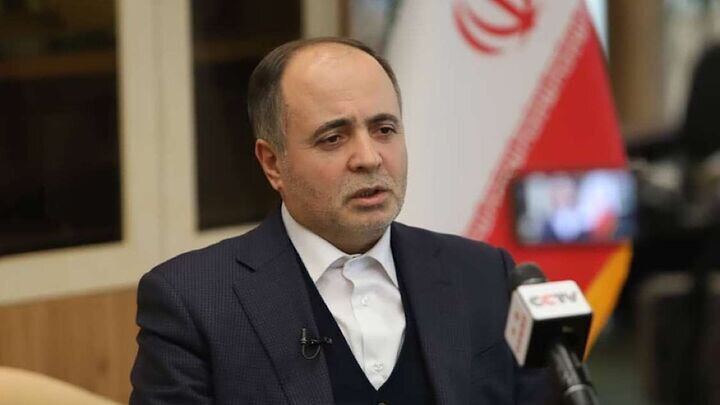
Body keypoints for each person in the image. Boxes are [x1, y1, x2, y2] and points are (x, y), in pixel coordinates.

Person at [130, 37, 548, 404]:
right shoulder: (193, 301)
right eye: (333, 138)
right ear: (273, 163)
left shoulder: (484, 275)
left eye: (384, 129)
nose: (369, 158)